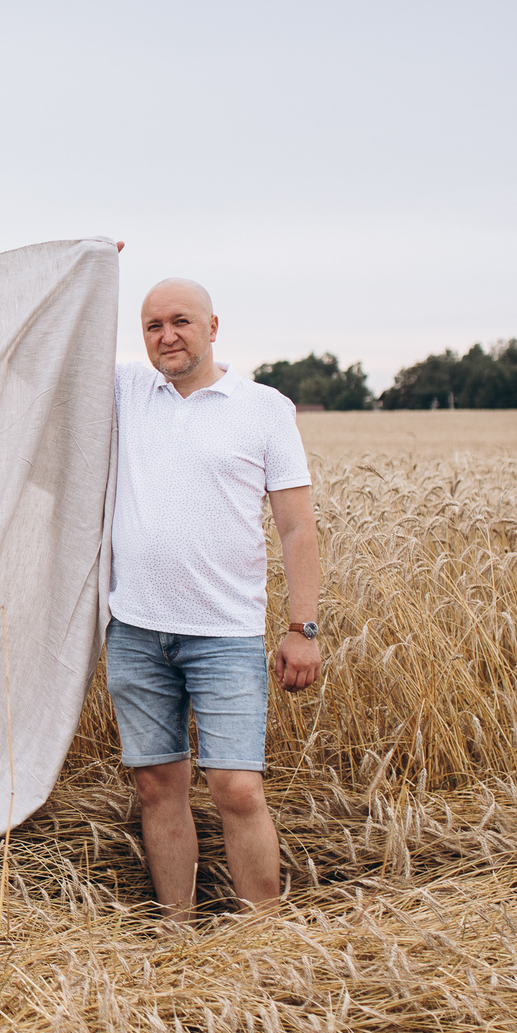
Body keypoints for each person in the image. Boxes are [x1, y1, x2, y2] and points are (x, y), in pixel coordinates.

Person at [107, 278, 321, 924]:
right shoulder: (125, 391)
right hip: (135, 628)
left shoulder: (261, 408)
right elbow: (55, 344)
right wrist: (91, 266)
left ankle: (261, 937)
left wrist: (302, 628)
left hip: (222, 635)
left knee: (236, 787)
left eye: (180, 321)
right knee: (156, 786)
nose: (167, 336)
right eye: (152, 325)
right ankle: (178, 930)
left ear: (212, 326)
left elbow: (297, 526)